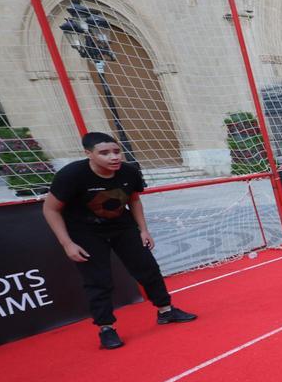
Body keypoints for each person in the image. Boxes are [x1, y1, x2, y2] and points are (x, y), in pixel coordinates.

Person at [42, 132, 197, 350]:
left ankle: (166, 311)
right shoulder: (72, 175)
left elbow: (134, 200)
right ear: (89, 154)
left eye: (116, 151)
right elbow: (50, 209)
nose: (113, 157)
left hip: (122, 226)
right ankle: (106, 328)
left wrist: (143, 230)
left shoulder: (129, 172)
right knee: (99, 280)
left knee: (148, 268)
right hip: (85, 232)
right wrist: (67, 243)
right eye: (104, 153)